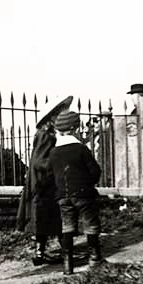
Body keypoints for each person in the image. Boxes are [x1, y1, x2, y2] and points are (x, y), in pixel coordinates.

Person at [15, 96, 73, 266]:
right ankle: (46, 252)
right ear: (53, 116)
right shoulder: (45, 135)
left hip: (46, 181)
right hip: (43, 183)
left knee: (48, 216)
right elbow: (40, 161)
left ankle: (43, 252)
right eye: (61, 111)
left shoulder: (49, 133)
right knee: (46, 216)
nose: (64, 114)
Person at [49, 110, 104, 275]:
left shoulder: (53, 152)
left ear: (59, 130)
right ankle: (95, 259)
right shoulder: (81, 149)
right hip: (83, 193)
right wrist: (88, 183)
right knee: (90, 223)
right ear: (75, 128)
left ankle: (68, 266)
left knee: (67, 227)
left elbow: (51, 175)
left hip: (63, 196)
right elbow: (95, 171)